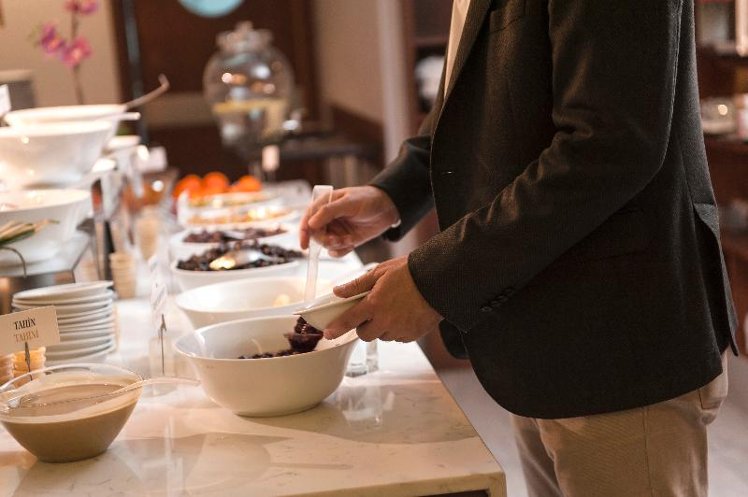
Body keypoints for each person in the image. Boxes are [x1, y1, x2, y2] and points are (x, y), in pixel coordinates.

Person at [299, 1, 739, 496]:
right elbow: (474, 97)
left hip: (619, 338)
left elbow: (609, 146)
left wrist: (435, 280)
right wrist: (394, 194)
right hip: (535, 324)